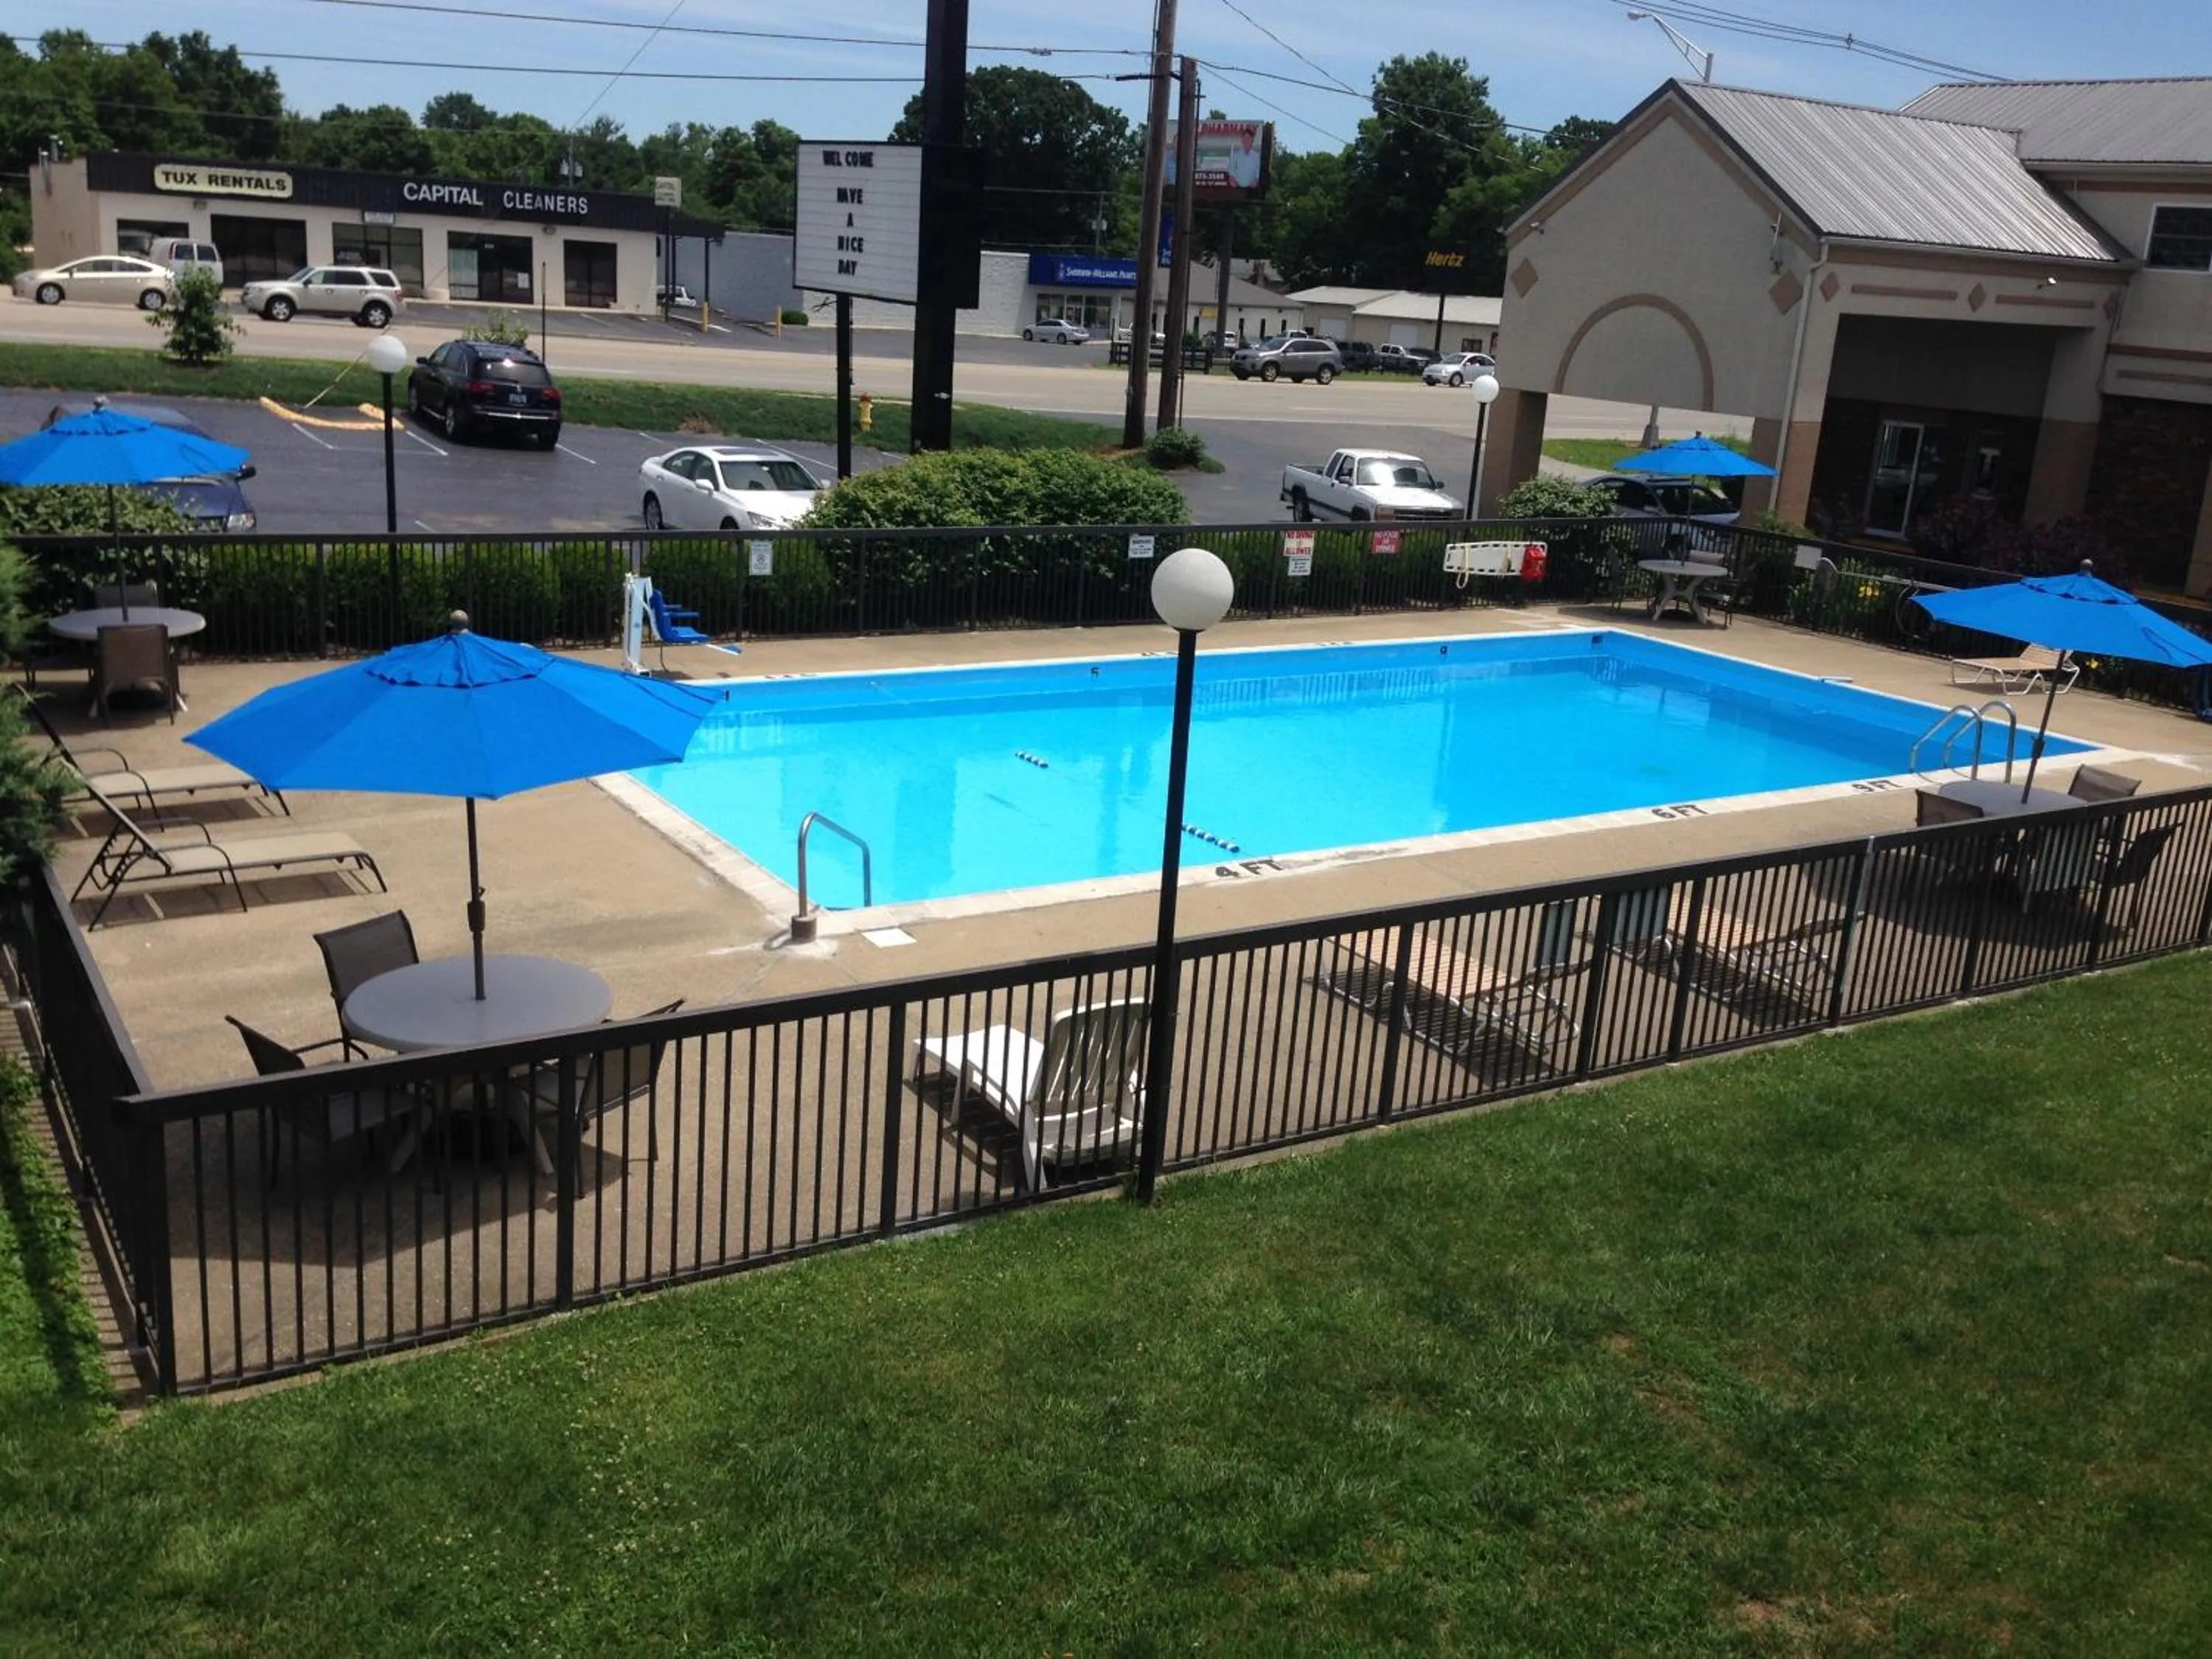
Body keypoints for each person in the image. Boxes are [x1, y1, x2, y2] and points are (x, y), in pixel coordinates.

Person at [1225, 126, 1263, 190]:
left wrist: (1256, 181)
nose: (1246, 141)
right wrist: (1232, 180)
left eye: (1249, 138)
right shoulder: (1235, 155)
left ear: (1252, 140)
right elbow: (1231, 171)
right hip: (1236, 189)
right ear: (1242, 140)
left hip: (1251, 191)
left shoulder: (1257, 157)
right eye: (1245, 138)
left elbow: (1258, 173)